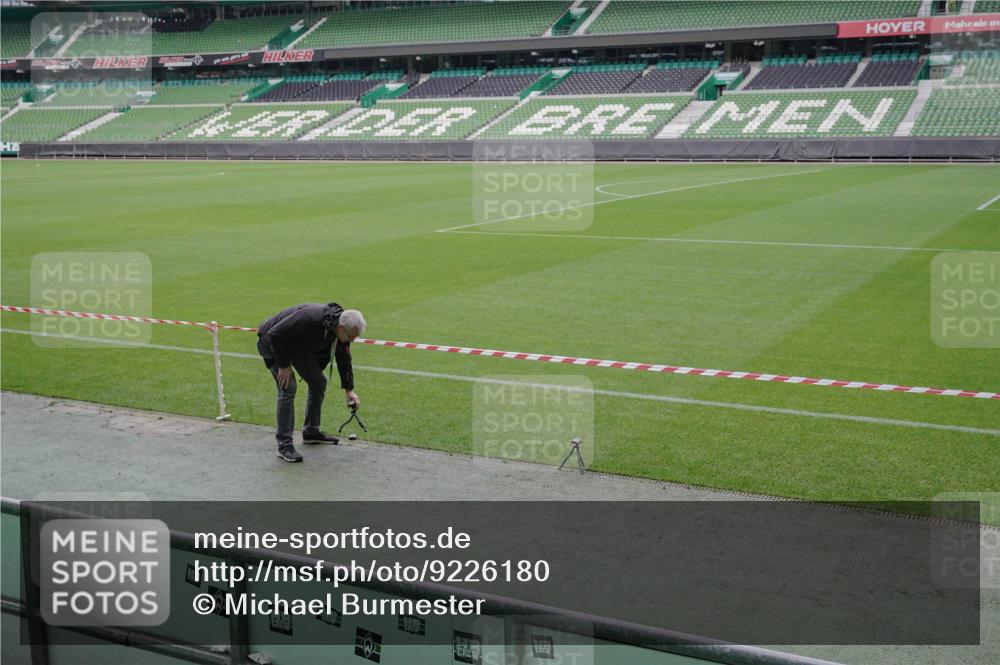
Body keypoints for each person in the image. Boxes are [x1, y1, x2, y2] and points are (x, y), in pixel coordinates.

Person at [256, 302, 365, 463]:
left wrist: (349, 389)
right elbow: (275, 334)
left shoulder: (339, 328)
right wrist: (284, 366)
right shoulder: (309, 319)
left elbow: (343, 357)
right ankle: (284, 445)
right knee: (288, 387)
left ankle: (311, 432)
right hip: (272, 341)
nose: (352, 340)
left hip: (297, 346)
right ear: (341, 328)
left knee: (318, 382)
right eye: (351, 337)